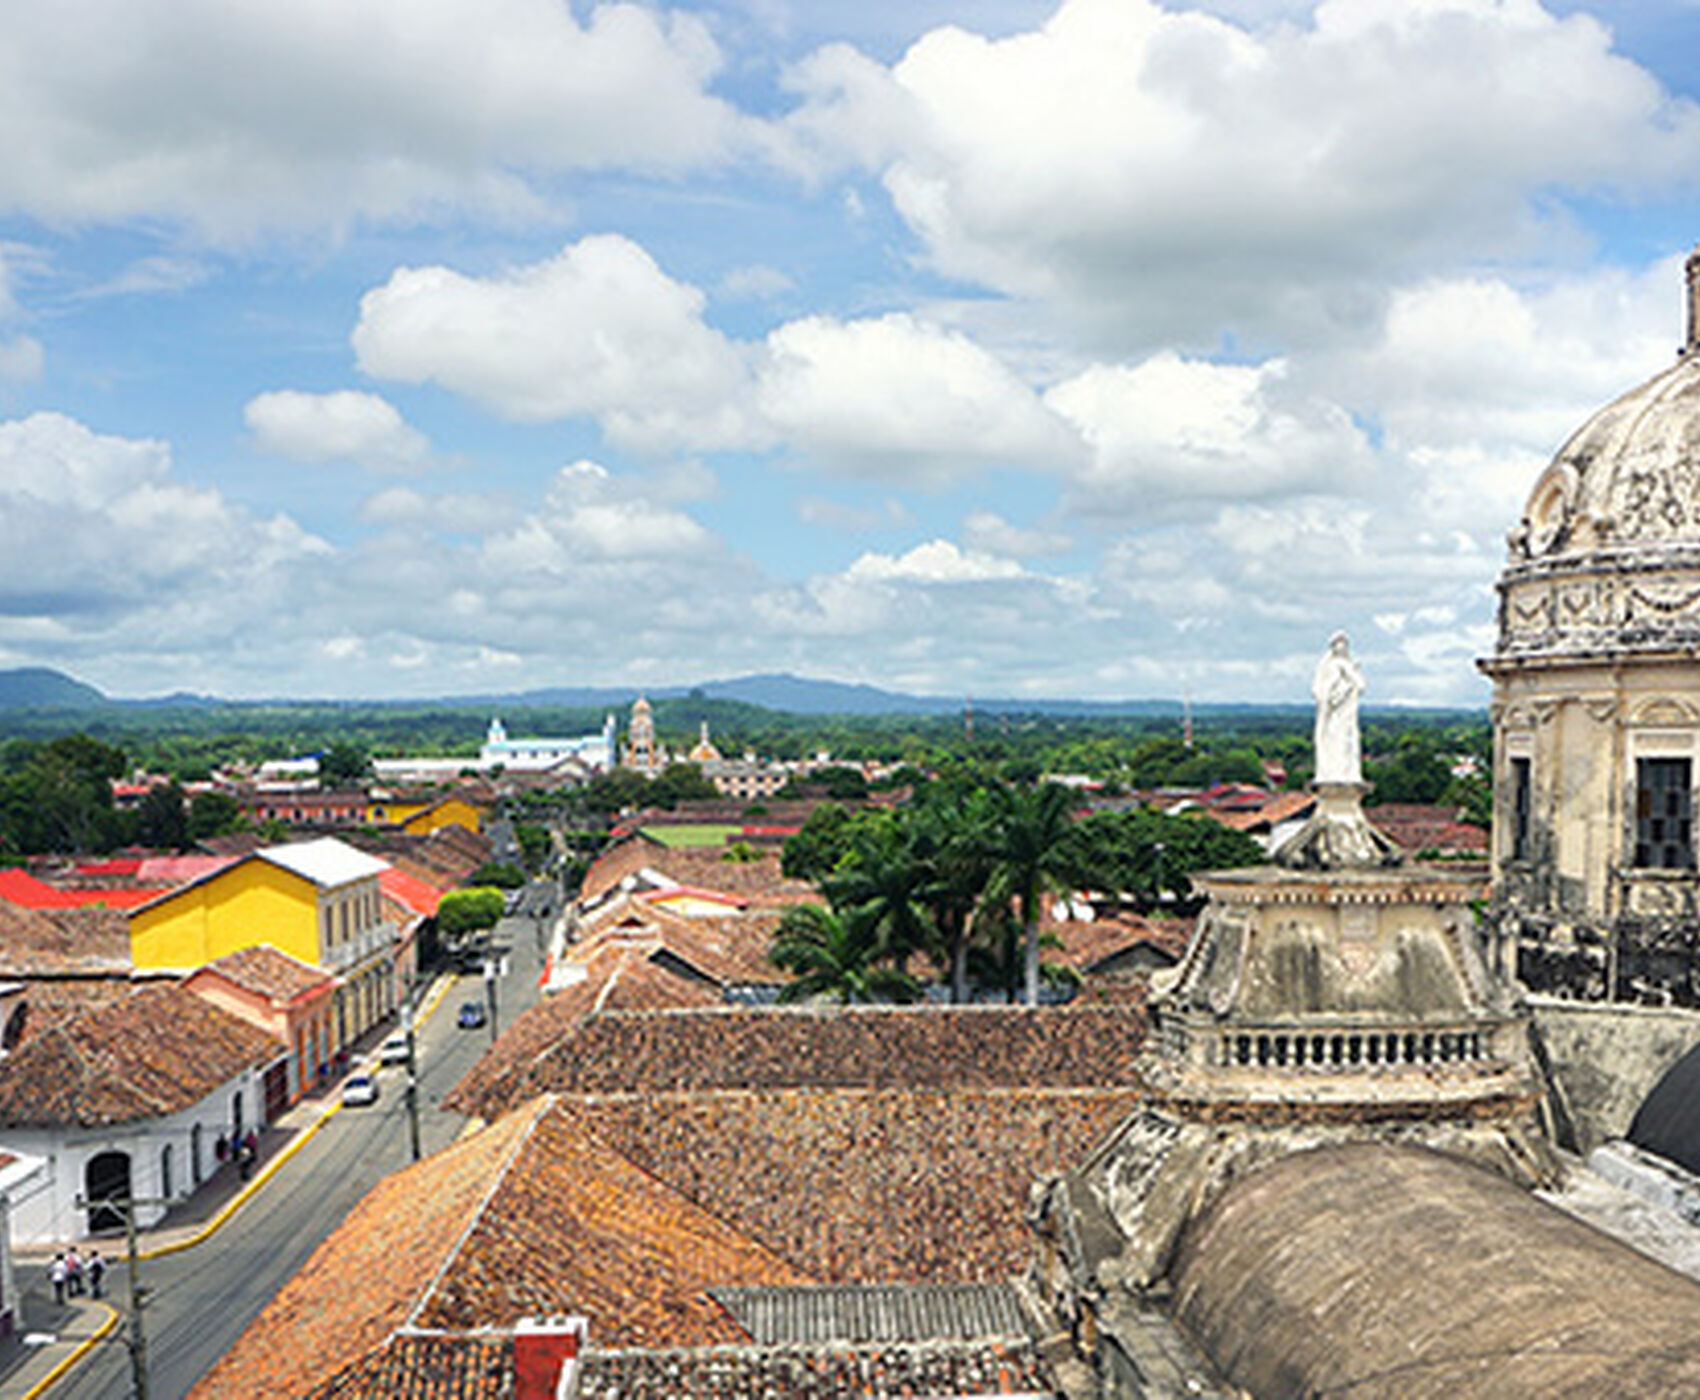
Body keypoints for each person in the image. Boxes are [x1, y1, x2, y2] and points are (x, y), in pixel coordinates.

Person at [1311, 632, 1365, 785]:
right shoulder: (1327, 666)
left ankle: (1345, 772)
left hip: (1346, 716)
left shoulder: (1346, 665)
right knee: (1332, 740)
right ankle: (1332, 771)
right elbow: (1319, 690)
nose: (1341, 647)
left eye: (1343, 644)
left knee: (1346, 741)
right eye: (1337, 644)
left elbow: (1360, 685)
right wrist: (1330, 696)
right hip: (1331, 716)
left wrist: (1346, 688)